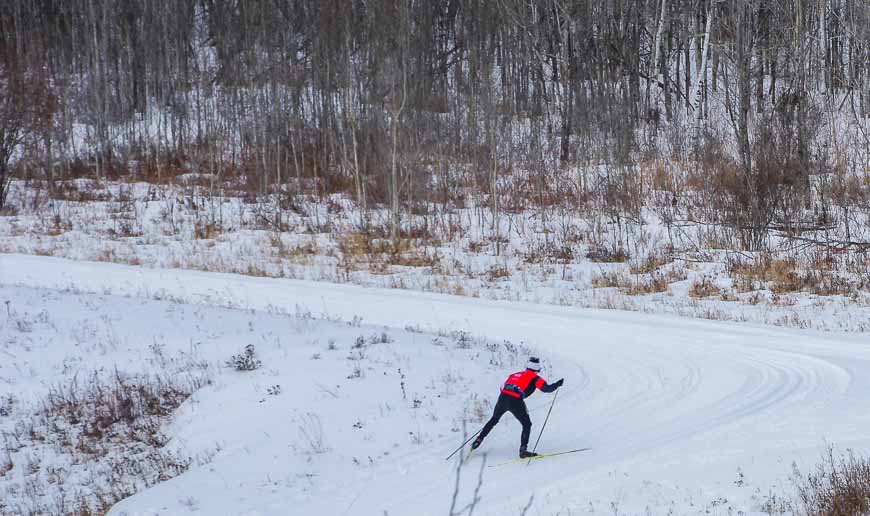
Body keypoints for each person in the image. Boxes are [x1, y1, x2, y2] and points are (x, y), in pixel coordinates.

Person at [472, 357, 563, 458]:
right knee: (527, 424)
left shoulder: (515, 374)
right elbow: (546, 389)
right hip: (515, 401)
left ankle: (478, 439)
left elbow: (502, 386)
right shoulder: (535, 378)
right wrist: (557, 384)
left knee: (494, 419)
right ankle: (523, 450)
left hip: (502, 398)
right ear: (537, 369)